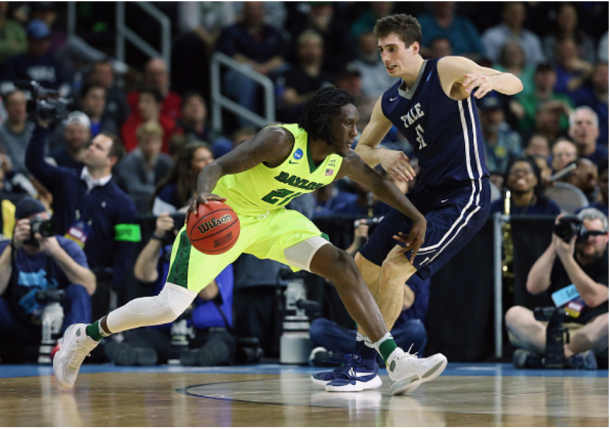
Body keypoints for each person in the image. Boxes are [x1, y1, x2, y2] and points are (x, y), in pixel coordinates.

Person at [53, 86, 447, 396]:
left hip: (273, 221)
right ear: (325, 122)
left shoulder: (340, 160)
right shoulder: (279, 141)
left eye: (356, 123)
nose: (355, 132)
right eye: (348, 123)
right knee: (168, 307)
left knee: (342, 265)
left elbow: (378, 183)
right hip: (222, 218)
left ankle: (393, 360)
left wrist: (416, 216)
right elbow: (217, 165)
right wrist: (202, 195)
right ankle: (84, 337)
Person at [313, 13, 522, 392]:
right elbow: (362, 147)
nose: (386, 57)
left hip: (466, 193)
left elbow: (515, 81)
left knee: (395, 268)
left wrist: (488, 79)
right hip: (426, 192)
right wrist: (384, 155)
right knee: (360, 266)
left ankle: (364, 365)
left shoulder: (446, 70)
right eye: (380, 51)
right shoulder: (389, 100)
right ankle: (365, 360)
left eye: (393, 48)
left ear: (414, 47)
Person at [25, 117, 139, 321]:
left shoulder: (124, 203)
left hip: (93, 280)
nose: (91, 148)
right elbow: (34, 163)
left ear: (111, 160)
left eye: (98, 147)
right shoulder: (65, 179)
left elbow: (126, 251)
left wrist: (112, 288)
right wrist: (42, 126)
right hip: (54, 269)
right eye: (92, 144)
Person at [105, 213, 234, 366]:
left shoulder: (218, 254)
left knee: (222, 342)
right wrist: (157, 237)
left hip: (204, 333)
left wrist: (194, 248)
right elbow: (142, 275)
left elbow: (208, 293)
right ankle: (141, 354)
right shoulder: (167, 253)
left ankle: (200, 357)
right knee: (138, 337)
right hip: (165, 333)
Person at [505, 208, 608, 370]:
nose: (589, 239)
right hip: (549, 332)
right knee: (514, 314)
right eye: (584, 233)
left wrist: (567, 258)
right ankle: (572, 357)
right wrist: (555, 245)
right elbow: (533, 286)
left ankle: (548, 357)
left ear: (607, 236)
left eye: (595, 234)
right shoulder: (562, 251)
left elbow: (593, 298)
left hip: (588, 333)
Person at [0, 197, 94, 361]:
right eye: (33, 223)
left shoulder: (65, 246)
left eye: (44, 222)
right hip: (18, 323)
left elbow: (90, 286)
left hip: (58, 324)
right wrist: (13, 247)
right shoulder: (5, 249)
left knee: (78, 290)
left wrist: (56, 252)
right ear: (18, 224)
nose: (39, 228)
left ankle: (70, 348)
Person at [151, 142, 214, 216]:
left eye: (211, 157)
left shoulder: (221, 187)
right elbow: (158, 223)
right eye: (201, 160)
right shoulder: (169, 193)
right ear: (188, 168)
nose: (209, 163)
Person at [3, 19, 65, 91]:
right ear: (29, 40)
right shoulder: (17, 61)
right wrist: (22, 95)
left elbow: (63, 84)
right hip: (28, 100)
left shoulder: (51, 59)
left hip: (52, 99)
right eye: (39, 41)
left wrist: (61, 93)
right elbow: (5, 86)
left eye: (45, 40)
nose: (43, 45)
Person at [116, 120, 173, 197]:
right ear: (139, 142)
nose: (151, 147)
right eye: (146, 142)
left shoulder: (166, 162)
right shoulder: (128, 161)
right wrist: (161, 192)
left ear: (161, 142)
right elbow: (134, 188)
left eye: (155, 142)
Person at [489, 156, 560, 216]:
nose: (520, 175)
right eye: (515, 171)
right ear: (507, 179)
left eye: (526, 171)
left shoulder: (550, 208)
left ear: (536, 180)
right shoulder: (495, 208)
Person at [481, 2, 545, 67]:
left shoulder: (532, 39)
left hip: (528, 76)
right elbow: (486, 64)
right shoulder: (491, 36)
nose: (516, 16)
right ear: (503, 13)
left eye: (519, 13)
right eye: (512, 12)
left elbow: (539, 64)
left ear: (524, 15)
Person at [416, 2, 484, 61]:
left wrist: (461, 59)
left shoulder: (464, 25)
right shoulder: (422, 23)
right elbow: (410, 46)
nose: (445, 2)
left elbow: (481, 53)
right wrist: (432, 53)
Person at [121, 87, 176, 153]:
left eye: (147, 101)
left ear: (159, 105)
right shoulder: (130, 123)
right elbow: (131, 150)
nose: (141, 106)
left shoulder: (169, 125)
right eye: (140, 101)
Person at [479, 96, 523, 175]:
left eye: (495, 113)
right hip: (483, 182)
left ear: (502, 115)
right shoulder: (473, 139)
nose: (492, 118)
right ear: (480, 116)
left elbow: (518, 163)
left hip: (507, 181)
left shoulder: (512, 137)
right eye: (488, 113)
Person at [0, 90, 34, 175]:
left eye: (22, 103)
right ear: (6, 107)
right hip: (11, 179)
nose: (19, 109)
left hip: (37, 179)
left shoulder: (36, 131)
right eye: (14, 104)